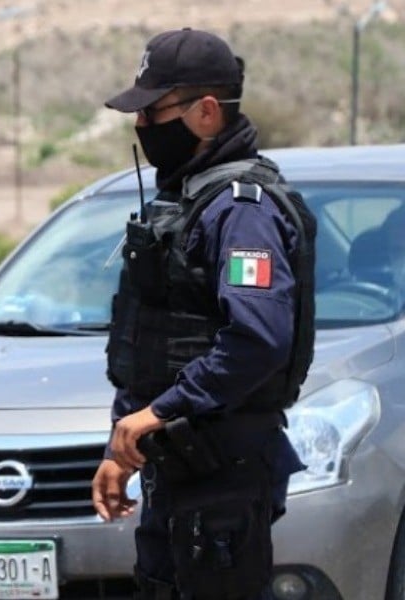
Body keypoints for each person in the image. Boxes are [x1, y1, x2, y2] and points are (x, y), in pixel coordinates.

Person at [92, 29, 316, 599]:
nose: (141, 128)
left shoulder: (243, 212)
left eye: (153, 112)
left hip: (225, 470)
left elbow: (257, 340)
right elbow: (154, 335)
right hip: (178, 466)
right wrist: (125, 446)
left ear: (207, 112)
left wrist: (157, 414)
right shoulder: (184, 201)